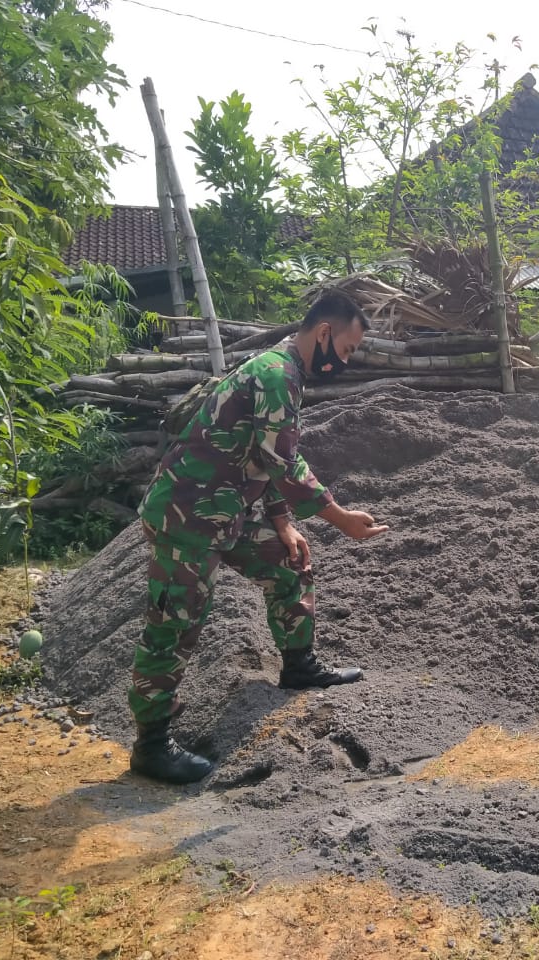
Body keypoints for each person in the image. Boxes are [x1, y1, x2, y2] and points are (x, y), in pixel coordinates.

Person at [129, 290, 389, 784]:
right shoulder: (275, 374)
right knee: (175, 623)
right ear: (325, 334)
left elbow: (265, 458)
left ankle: (298, 664)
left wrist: (283, 521)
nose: (348, 360)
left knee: (287, 558)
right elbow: (284, 465)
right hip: (186, 517)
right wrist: (340, 518)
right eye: (350, 349)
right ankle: (152, 744)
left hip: (224, 509)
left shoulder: (283, 374)